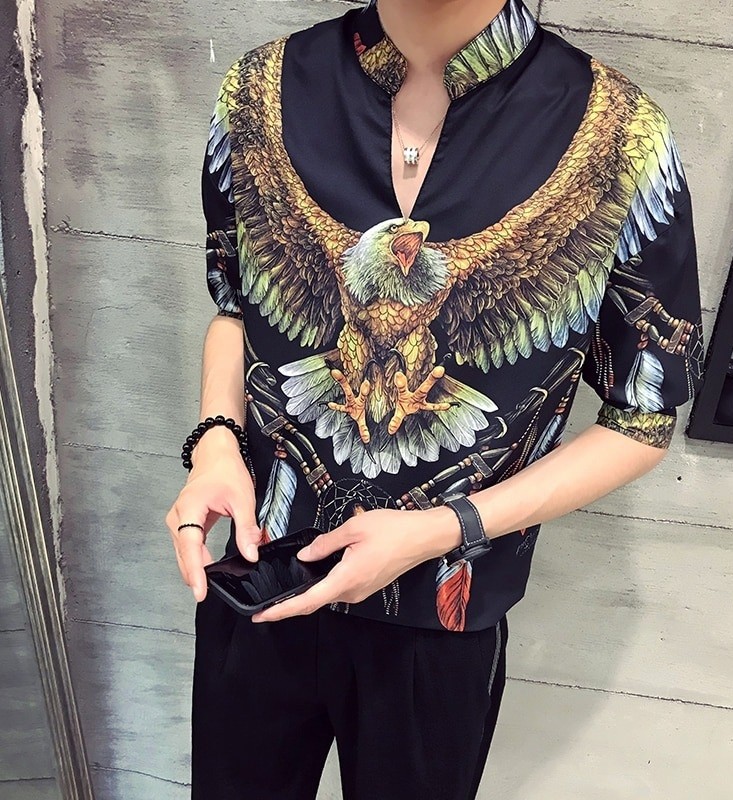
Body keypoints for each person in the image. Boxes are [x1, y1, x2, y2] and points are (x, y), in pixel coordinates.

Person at [164, 0, 705, 797]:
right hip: (262, 576)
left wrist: (443, 529)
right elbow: (236, 308)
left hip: (439, 615)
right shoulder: (260, 89)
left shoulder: (620, 135)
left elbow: (642, 416)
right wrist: (215, 441)